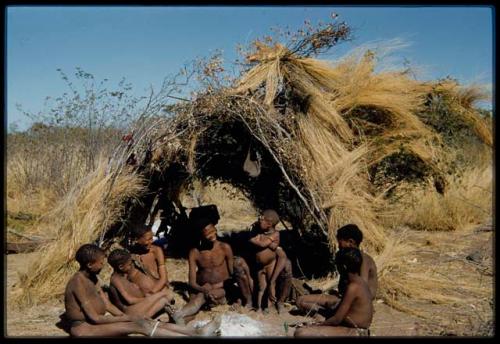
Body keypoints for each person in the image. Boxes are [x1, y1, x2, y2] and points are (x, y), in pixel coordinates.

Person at [61, 244, 221, 337]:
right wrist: (125, 320)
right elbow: (95, 318)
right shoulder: (78, 283)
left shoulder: (93, 279)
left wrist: (127, 316)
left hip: (94, 323)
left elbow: (107, 305)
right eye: (100, 263)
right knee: (139, 326)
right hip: (84, 328)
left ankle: (194, 331)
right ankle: (194, 336)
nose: (103, 265)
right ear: (89, 264)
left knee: (145, 321)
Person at [172, 218, 253, 324]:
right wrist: (202, 288)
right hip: (203, 288)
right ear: (200, 235)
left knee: (204, 298)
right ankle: (180, 317)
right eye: (207, 233)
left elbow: (232, 276)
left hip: (222, 287)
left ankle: (180, 316)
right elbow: (191, 282)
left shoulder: (225, 248)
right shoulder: (195, 252)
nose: (212, 234)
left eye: (213, 230)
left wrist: (215, 286)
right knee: (200, 298)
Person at [296, 223, 378, 320]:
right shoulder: (344, 258)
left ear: (350, 242)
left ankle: (329, 315)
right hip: (341, 299)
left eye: (340, 243)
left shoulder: (364, 260)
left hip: (355, 304)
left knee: (311, 306)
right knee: (300, 301)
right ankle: (327, 314)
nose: (338, 246)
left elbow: (363, 291)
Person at [294, 247, 373, 337]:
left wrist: (318, 325)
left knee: (300, 333)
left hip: (356, 331)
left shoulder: (353, 287)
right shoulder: (359, 281)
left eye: (337, 264)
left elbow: (337, 319)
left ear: (344, 266)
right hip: (349, 324)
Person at [107, 248, 175, 319]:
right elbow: (129, 300)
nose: (131, 266)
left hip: (137, 306)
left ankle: (146, 317)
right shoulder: (115, 279)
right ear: (121, 267)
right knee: (167, 295)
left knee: (163, 299)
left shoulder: (123, 275)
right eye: (130, 264)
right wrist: (148, 298)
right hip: (130, 310)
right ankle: (142, 319)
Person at [248, 209, 291, 312]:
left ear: (269, 224)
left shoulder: (275, 234)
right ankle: (259, 308)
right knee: (261, 287)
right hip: (259, 266)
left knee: (270, 285)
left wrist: (253, 239)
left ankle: (268, 306)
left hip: (270, 265)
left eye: (261, 219)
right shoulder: (260, 233)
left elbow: (262, 244)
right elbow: (259, 242)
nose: (258, 221)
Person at [127, 224, 170, 294]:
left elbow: (163, 278)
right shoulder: (132, 253)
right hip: (143, 288)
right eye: (148, 239)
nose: (152, 241)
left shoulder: (156, 251)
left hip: (158, 286)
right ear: (137, 240)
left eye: (152, 238)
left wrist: (152, 292)